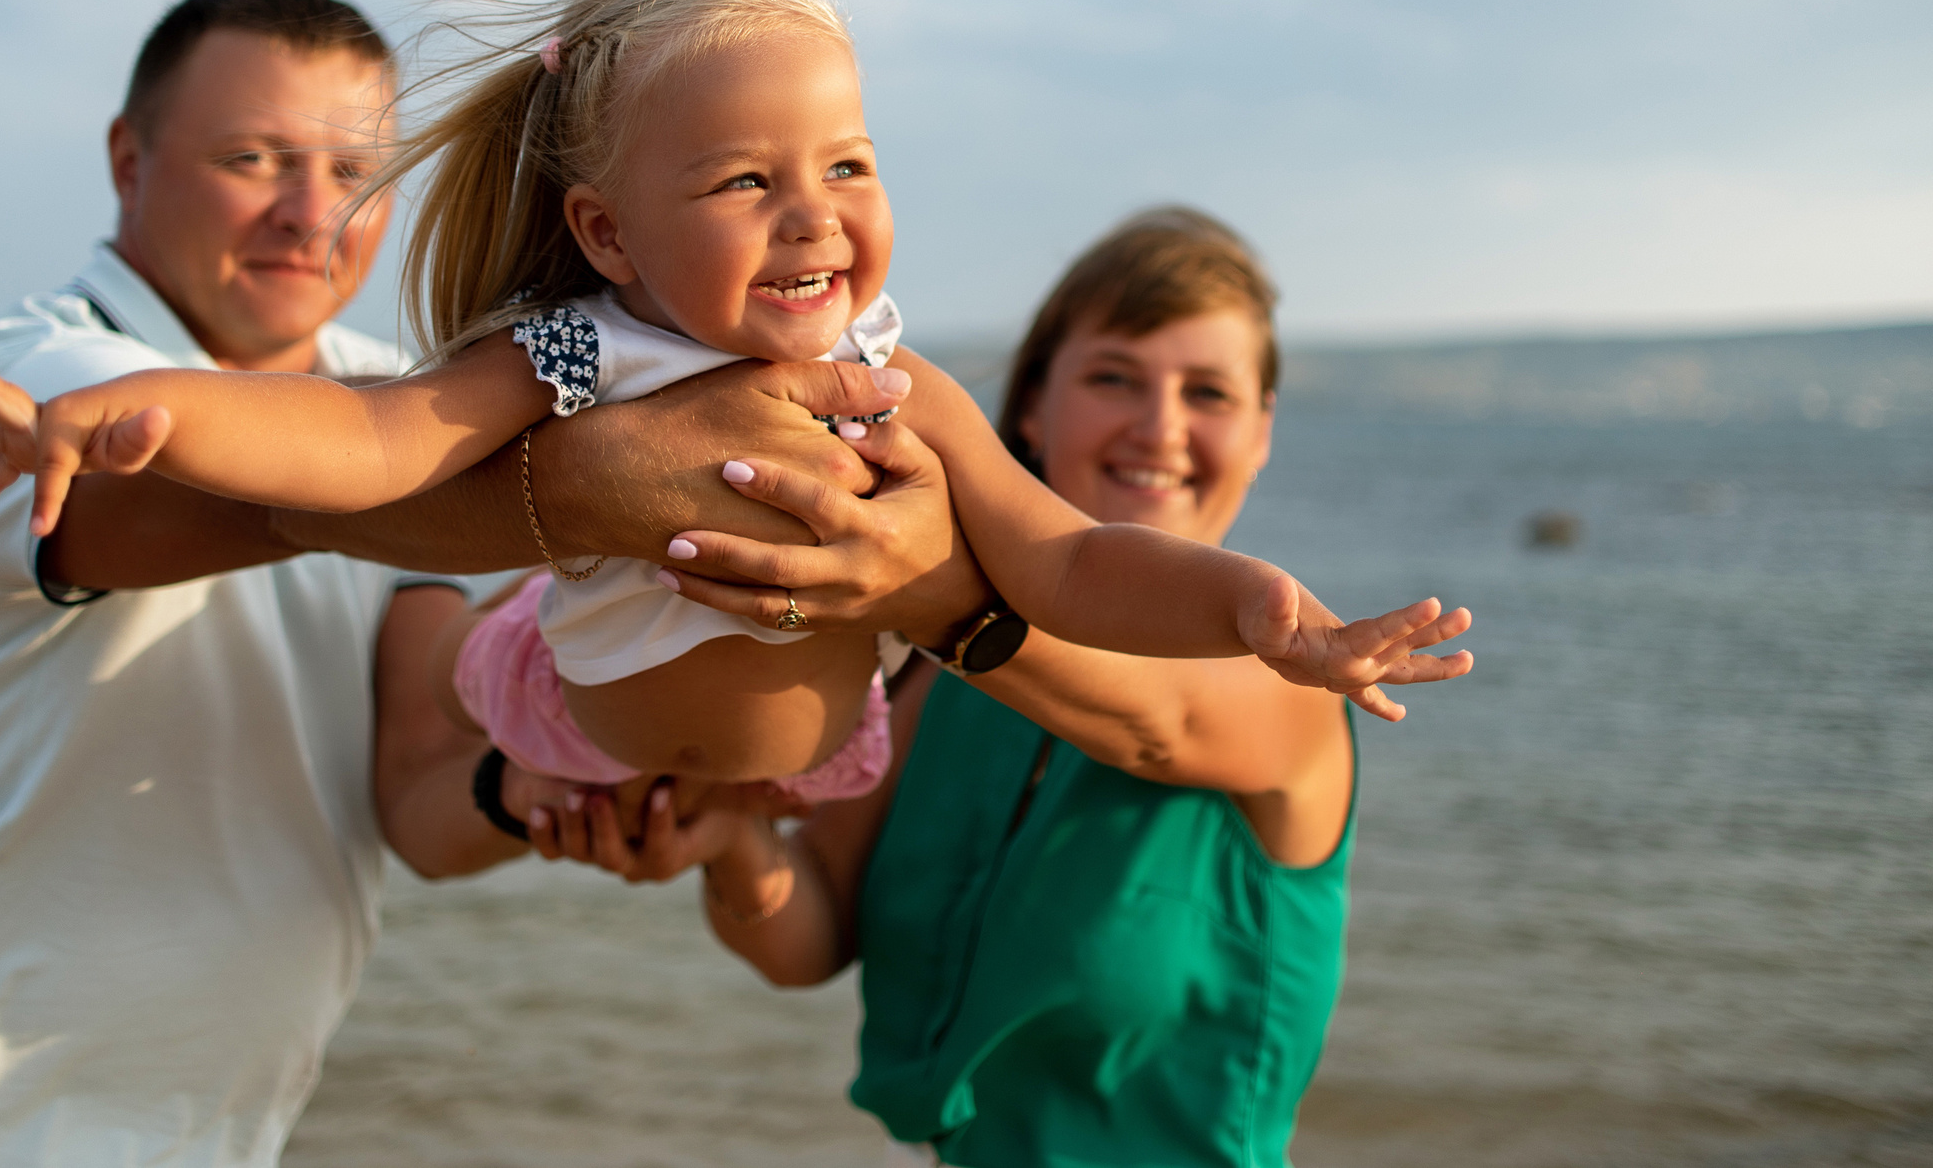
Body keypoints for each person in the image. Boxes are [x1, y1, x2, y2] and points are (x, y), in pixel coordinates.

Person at [0, 0, 1469, 850]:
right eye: (743, 181)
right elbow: (371, 440)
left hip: (796, 758)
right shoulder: (587, 355)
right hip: (575, 718)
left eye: (847, 166)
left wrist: (1264, 610)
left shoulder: (890, 380)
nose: (814, 215)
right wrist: (148, 412)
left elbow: (1064, 562)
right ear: (607, 231)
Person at [0, 0, 937, 1168]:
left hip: (223, 1129)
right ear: (129, 157)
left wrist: (573, 780)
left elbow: (423, 799)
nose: (309, 213)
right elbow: (270, 497)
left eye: (352, 172)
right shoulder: (36, 389)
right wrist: (588, 474)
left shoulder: (397, 386)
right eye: (254, 157)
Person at [543, 208, 1423, 1166]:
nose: (1160, 426)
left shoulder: (1281, 670)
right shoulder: (938, 669)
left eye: (1208, 392)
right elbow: (814, 931)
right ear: (1036, 406)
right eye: (1114, 376)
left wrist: (929, 591)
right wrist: (732, 842)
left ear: (1260, 435)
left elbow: (1152, 721)